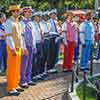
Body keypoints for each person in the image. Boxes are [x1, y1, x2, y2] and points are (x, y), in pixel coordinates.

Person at [5, 3, 24, 95]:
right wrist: (12, 49)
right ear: (11, 12)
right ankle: (11, 88)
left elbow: (20, 36)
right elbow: (8, 37)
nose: (17, 12)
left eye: (18, 11)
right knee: (12, 68)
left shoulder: (17, 22)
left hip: (18, 47)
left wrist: (22, 47)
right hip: (12, 48)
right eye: (15, 11)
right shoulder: (9, 22)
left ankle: (16, 84)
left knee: (17, 68)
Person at [20, 6, 36, 88]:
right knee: (24, 64)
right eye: (28, 12)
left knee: (30, 63)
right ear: (24, 13)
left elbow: (33, 35)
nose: (30, 13)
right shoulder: (21, 22)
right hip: (25, 45)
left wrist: (34, 45)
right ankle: (23, 80)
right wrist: (23, 47)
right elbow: (21, 36)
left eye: (31, 12)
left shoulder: (30, 22)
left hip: (30, 45)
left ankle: (28, 79)